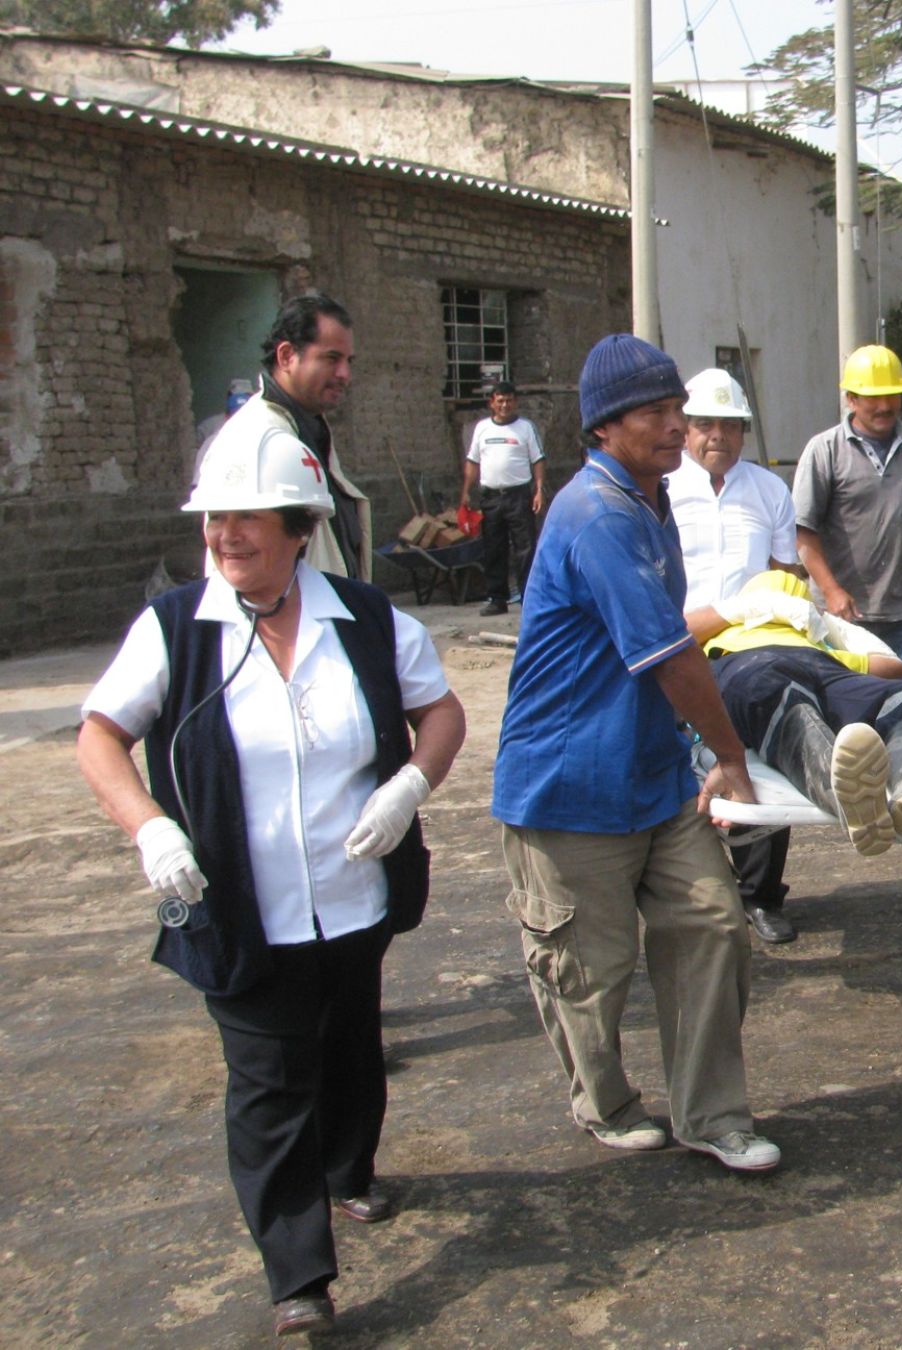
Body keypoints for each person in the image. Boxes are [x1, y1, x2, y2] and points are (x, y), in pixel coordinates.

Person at [75, 412, 466, 1336]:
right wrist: (151, 831)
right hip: (240, 911)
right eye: (215, 518)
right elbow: (100, 737)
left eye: (250, 517)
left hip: (354, 896)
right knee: (266, 1080)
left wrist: (410, 785)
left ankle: (349, 1171)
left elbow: (441, 713)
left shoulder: (365, 620)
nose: (226, 535)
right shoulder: (177, 629)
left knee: (347, 1049)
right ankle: (299, 1275)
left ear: (301, 528)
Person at [491, 333, 780, 1175]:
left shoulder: (651, 501)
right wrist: (728, 753)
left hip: (651, 776)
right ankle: (605, 1101)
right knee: (591, 971)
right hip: (568, 785)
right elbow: (667, 656)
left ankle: (713, 1114)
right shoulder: (596, 514)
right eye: (654, 413)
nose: (676, 426)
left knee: (713, 926)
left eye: (677, 411)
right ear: (603, 428)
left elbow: (674, 636)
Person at [691, 569, 902, 855]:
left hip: (823, 668)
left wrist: (828, 625)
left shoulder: (815, 628)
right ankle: (849, 798)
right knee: (784, 702)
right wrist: (751, 608)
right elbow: (672, 637)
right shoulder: (725, 624)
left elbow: (894, 666)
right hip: (751, 666)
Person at [669, 368, 806, 943]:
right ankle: (690, 893)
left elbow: (786, 572)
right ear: (685, 429)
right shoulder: (663, 488)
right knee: (674, 768)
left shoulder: (769, 490)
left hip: (747, 651)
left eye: (730, 425)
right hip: (673, 649)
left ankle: (760, 895)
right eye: (705, 424)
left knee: (759, 766)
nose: (717, 436)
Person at [792, 344, 902, 686]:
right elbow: (803, 532)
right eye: (873, 397)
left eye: (892, 395)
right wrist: (832, 590)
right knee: (850, 713)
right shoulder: (825, 451)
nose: (885, 406)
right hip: (842, 618)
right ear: (851, 399)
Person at [206, 294, 373, 581]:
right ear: (286, 356)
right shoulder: (256, 439)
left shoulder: (308, 426)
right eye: (331, 358)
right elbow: (238, 562)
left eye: (348, 361)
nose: (344, 373)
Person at [460, 380, 547, 617]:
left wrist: (539, 490)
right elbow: (472, 462)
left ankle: (528, 598)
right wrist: (466, 491)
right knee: (494, 549)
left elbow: (538, 460)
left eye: (509, 400)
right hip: (491, 498)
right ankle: (497, 599)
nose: (505, 405)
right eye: (500, 401)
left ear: (515, 402)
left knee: (525, 548)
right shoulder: (482, 429)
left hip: (519, 496)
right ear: (492, 403)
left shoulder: (526, 428)